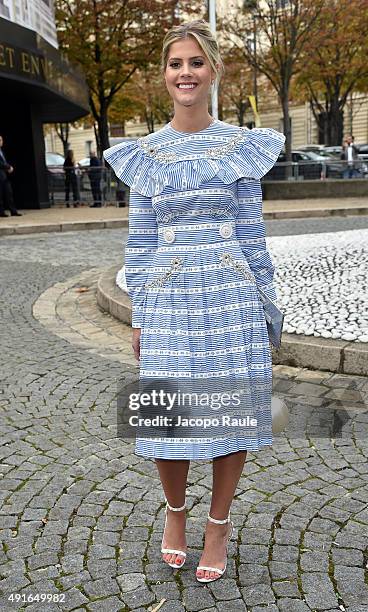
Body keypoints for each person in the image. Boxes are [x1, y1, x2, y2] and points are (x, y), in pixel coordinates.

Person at [103, 20, 285, 584]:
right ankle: (175, 514)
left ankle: (219, 524)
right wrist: (140, 314)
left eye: (196, 62)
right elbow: (140, 242)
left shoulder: (242, 148)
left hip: (231, 296)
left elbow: (252, 233)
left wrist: (266, 304)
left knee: (231, 410)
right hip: (171, 301)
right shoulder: (145, 156)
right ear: (165, 76)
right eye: (176, 63)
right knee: (167, 409)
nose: (186, 72)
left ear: (213, 72)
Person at [0, 135, 22, 217]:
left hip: (5, 176)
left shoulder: (2, 151)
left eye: (2, 140)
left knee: (9, 193)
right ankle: (1, 212)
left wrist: (9, 167)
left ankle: (13, 211)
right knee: (1, 195)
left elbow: (4, 161)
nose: (2, 141)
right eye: (1, 140)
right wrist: (8, 167)